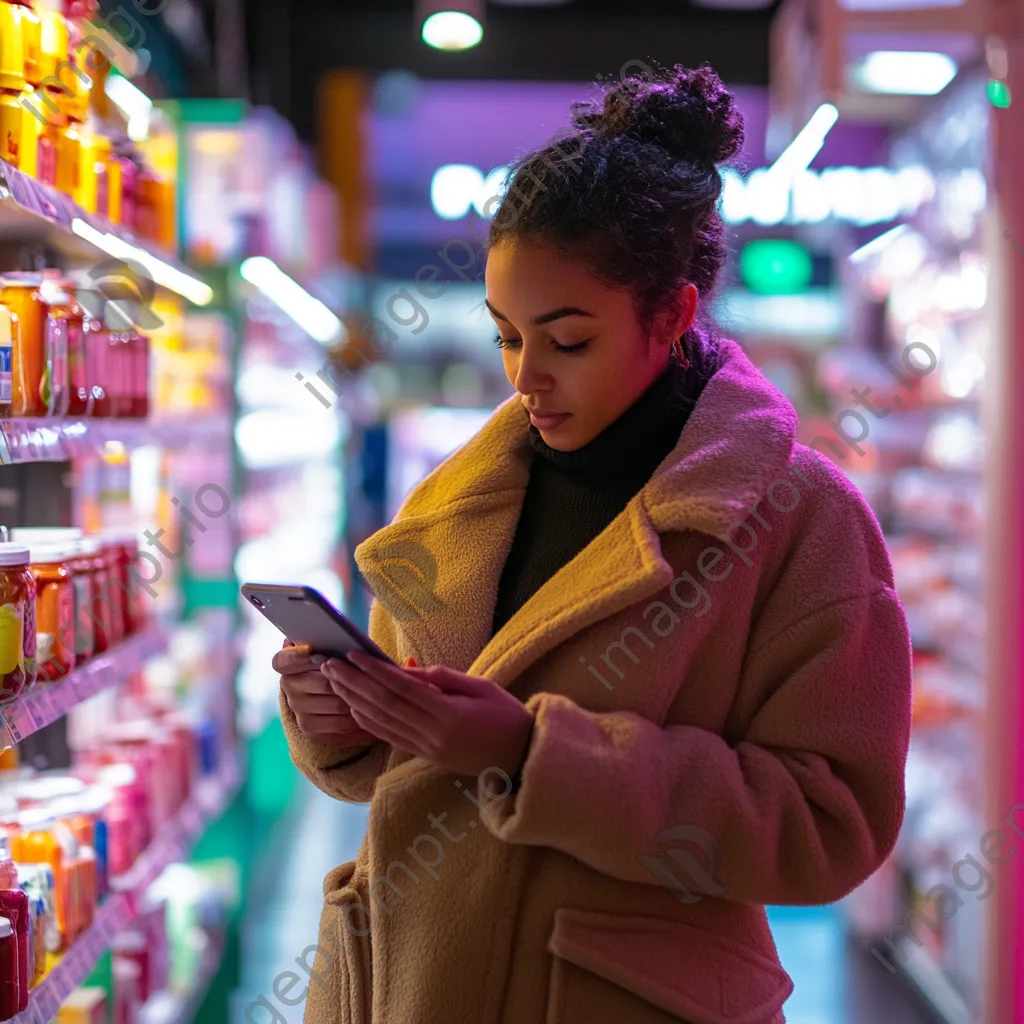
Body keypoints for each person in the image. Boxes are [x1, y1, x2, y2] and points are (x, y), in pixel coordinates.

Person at [274, 63, 913, 1024]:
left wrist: (536, 755)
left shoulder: (797, 519)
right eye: (506, 337)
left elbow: (831, 824)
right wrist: (345, 712)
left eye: (567, 341)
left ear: (672, 316)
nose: (528, 377)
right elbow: (397, 763)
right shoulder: (461, 495)